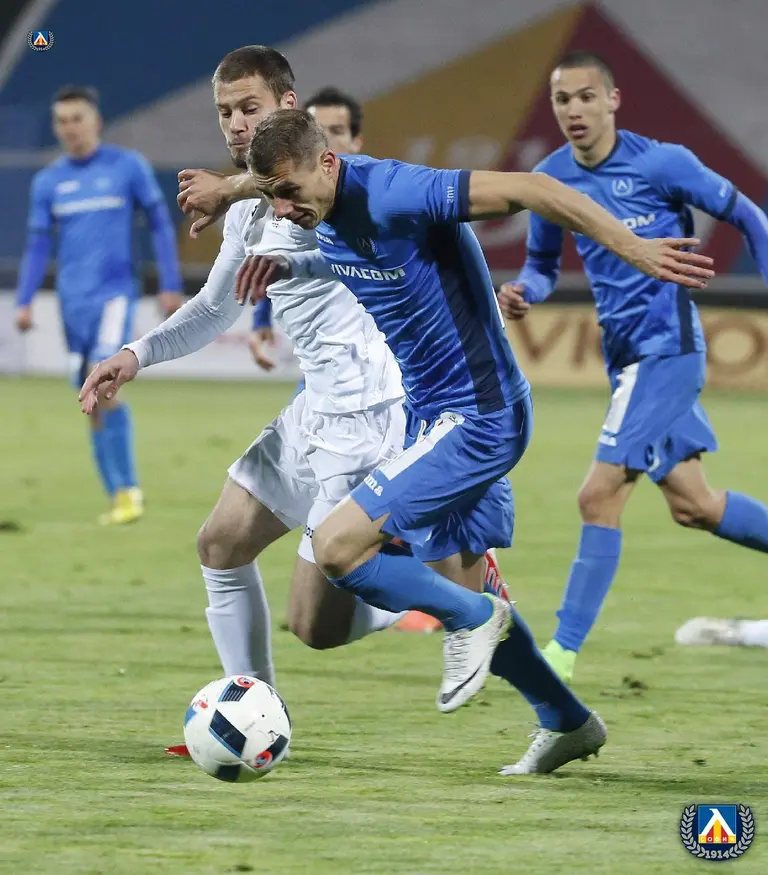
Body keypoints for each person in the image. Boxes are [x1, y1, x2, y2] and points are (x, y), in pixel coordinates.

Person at [231, 108, 712, 772]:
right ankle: (567, 721)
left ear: (328, 163)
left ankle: (470, 618)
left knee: (339, 547)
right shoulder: (320, 206)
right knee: (467, 585)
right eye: (271, 197)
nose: (282, 211)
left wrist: (634, 248)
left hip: (479, 416)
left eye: (287, 192)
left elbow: (536, 189)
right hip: (432, 417)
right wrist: (282, 252)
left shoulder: (398, 192)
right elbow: (324, 225)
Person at [79, 49, 504, 765]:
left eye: (250, 108)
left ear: (287, 106)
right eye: (224, 112)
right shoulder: (252, 208)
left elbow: (330, 191)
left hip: (368, 418)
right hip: (315, 410)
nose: (235, 124)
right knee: (220, 544)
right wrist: (135, 354)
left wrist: (231, 187)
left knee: (315, 626)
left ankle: (444, 594)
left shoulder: (325, 186)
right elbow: (215, 307)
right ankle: (251, 718)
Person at [496, 51, 768, 684]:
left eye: (587, 97)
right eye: (563, 100)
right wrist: (527, 291)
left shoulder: (662, 163)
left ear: (613, 100)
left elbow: (748, 215)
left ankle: (559, 655)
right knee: (695, 505)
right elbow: (542, 265)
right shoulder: (551, 179)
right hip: (625, 358)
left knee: (598, 495)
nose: (575, 111)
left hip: (667, 350)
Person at [15, 85, 182, 525]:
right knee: (87, 396)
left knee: (104, 385)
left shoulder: (127, 167)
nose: (70, 128)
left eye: (77, 118)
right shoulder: (48, 181)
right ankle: (116, 496)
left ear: (96, 121)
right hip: (72, 304)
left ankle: (129, 490)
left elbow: (160, 223)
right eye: (62, 121)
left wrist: (169, 282)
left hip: (114, 296)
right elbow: (37, 245)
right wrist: (25, 299)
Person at [249, 88, 365, 391]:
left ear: (356, 142)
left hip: (377, 361)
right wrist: (261, 321)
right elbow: (277, 259)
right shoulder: (297, 209)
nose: (325, 141)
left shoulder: (379, 203)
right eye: (317, 132)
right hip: (327, 359)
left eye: (336, 131)